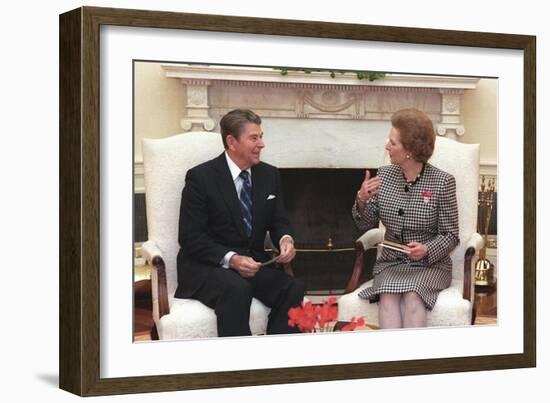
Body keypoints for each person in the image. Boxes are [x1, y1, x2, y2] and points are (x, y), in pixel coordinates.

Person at [175, 108, 304, 337]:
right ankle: (238, 364)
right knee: (237, 289)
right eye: (254, 138)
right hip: (209, 266)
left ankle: (279, 359)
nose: (262, 144)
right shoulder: (200, 178)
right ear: (232, 142)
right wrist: (232, 259)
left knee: (293, 287)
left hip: (252, 263)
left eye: (261, 136)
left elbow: (279, 221)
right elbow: (190, 238)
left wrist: (285, 239)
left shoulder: (269, 175)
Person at [352, 108, 459, 329]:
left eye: (393, 142)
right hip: (391, 262)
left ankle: (413, 358)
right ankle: (391, 361)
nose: (386, 146)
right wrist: (361, 199)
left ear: (409, 150)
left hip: (431, 265)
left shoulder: (442, 182)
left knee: (413, 296)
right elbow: (363, 223)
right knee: (388, 297)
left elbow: (451, 235)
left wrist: (427, 249)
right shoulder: (385, 175)